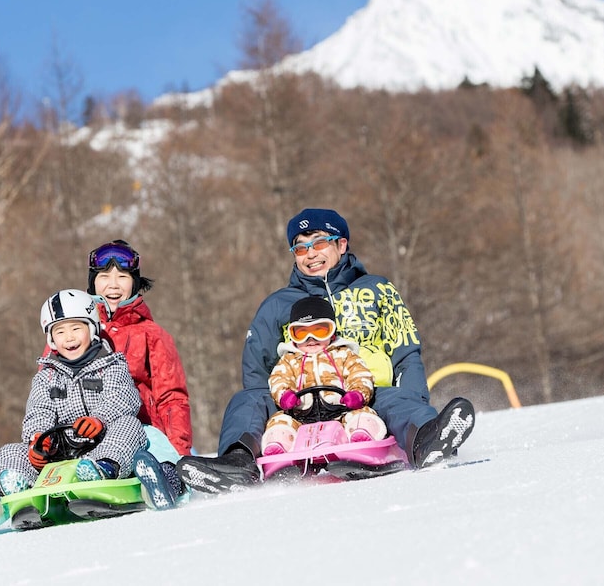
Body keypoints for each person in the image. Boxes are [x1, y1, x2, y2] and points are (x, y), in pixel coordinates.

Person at [178, 208, 474, 493]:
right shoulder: (278, 304)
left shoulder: (377, 289)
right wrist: (275, 413)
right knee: (245, 400)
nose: (311, 254)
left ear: (341, 244)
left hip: (365, 396)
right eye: (301, 248)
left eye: (319, 243)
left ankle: (427, 439)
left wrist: (415, 403)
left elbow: (406, 352)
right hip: (297, 403)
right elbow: (257, 369)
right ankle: (238, 462)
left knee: (397, 399)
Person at [0, 289, 178, 535]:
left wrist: (99, 420)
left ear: (91, 329)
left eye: (76, 329)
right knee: (9, 451)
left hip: (100, 444)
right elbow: (38, 410)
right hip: (58, 453)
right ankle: (9, 491)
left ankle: (103, 470)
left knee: (130, 428)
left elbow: (124, 397)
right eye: (60, 332)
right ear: (51, 339)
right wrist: (38, 440)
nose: (69, 338)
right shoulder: (46, 375)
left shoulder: (112, 365)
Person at [83, 239, 193, 457]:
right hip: (82, 433)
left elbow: (172, 399)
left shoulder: (151, 335)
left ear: (134, 283)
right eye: (104, 277)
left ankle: (158, 474)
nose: (113, 285)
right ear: (93, 282)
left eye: (122, 277)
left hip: (139, 433)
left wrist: (178, 454)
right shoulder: (74, 330)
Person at [261, 296, 387, 456]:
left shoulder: (343, 354)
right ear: (292, 335)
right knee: (279, 421)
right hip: (301, 415)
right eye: (302, 333)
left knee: (363, 414)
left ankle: (362, 436)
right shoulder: (289, 360)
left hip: (341, 412)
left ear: (332, 332)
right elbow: (278, 379)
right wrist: (285, 396)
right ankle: (279, 445)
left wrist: (357, 394)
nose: (311, 339)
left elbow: (360, 374)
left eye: (319, 331)